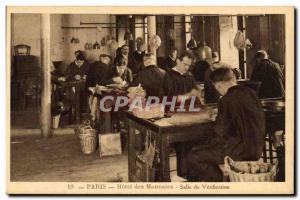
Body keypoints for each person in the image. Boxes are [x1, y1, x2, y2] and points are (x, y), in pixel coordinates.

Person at [178, 67, 265, 181]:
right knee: (203, 149)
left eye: (216, 88)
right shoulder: (251, 93)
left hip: (239, 150)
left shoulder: (226, 99)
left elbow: (220, 131)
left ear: (218, 85)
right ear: (233, 79)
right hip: (256, 148)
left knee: (194, 156)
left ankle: (222, 184)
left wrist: (216, 119)